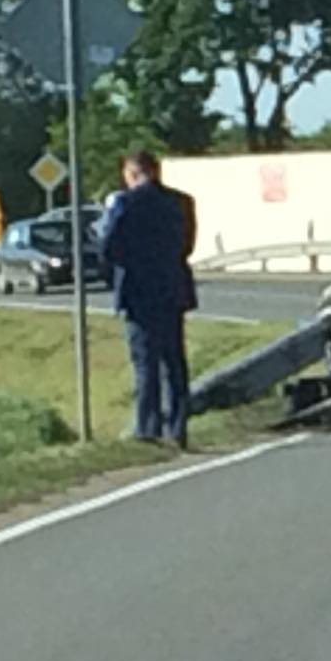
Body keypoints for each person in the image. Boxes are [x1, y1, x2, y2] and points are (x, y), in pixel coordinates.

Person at [97, 150, 198, 446]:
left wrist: (125, 267)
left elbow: (108, 247)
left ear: (133, 173)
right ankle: (178, 427)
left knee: (145, 362)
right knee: (174, 361)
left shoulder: (125, 204)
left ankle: (148, 426)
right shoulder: (181, 202)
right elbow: (187, 245)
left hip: (138, 291)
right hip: (172, 287)